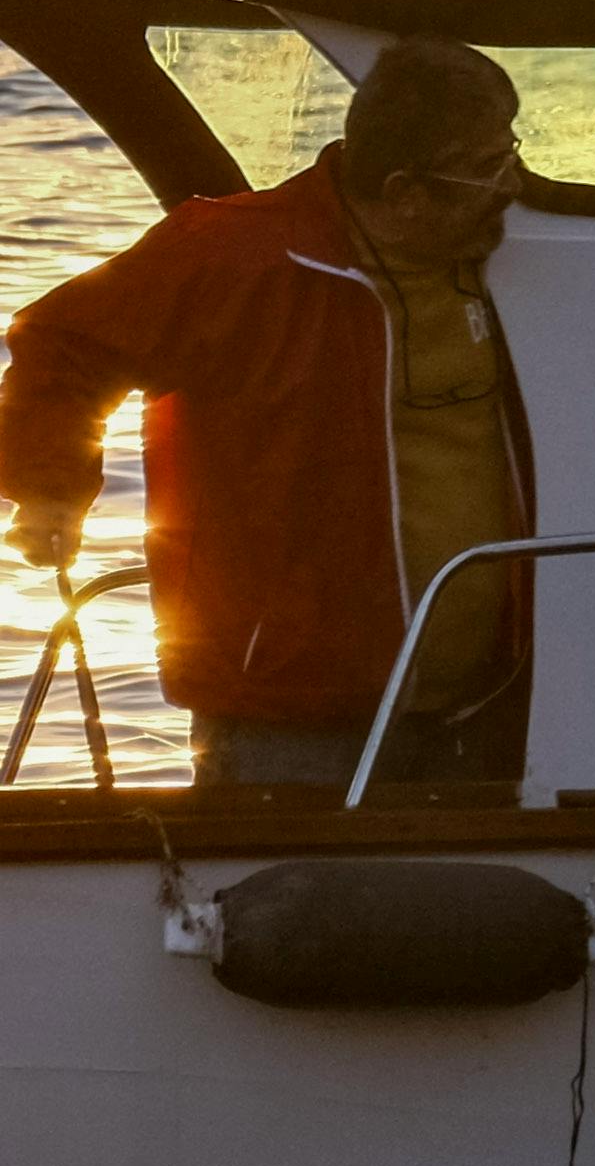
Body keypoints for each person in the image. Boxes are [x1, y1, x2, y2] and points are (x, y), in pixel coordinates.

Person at [5, 41, 543, 796]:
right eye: (488, 170)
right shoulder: (230, 255)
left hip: (489, 700)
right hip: (292, 714)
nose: (512, 185)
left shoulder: (518, 257)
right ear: (405, 192)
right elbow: (65, 345)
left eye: (511, 153)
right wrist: (52, 487)